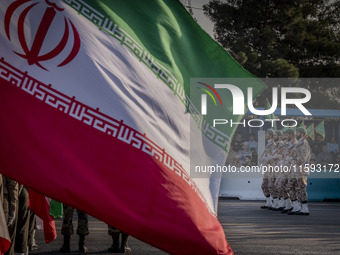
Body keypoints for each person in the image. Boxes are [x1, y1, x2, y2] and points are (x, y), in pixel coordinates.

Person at [291, 127, 311, 215]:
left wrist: (294, 157)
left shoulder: (304, 144)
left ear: (302, 133)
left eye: (298, 132)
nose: (296, 133)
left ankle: (305, 208)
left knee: (301, 189)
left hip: (302, 169)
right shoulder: (300, 143)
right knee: (298, 188)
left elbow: (303, 158)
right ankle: (299, 207)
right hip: (298, 169)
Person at [260, 128, 276, 209]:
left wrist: (266, 159)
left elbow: (273, 157)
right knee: (264, 186)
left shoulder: (273, 145)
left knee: (271, 185)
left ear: (271, 135)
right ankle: (268, 202)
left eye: (267, 134)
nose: (265, 135)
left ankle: (274, 203)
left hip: (271, 168)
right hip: (267, 168)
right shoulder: (268, 144)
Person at [2, 177, 19, 255]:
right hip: (4, 201)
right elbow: (13, 183)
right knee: (7, 238)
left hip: (4, 198)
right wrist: (13, 207)